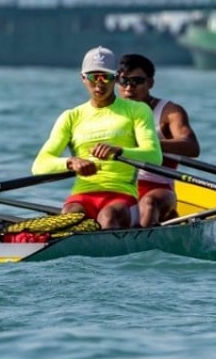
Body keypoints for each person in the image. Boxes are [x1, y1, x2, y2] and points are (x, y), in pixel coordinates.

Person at [32, 46, 162, 229]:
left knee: (108, 217)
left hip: (121, 195)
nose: (100, 84)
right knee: (70, 215)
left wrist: (119, 151)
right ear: (83, 78)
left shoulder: (137, 111)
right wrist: (71, 162)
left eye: (106, 77)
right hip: (83, 195)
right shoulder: (71, 117)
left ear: (116, 78)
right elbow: (39, 165)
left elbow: (154, 157)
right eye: (94, 77)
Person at [116, 53, 200, 227]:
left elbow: (192, 147)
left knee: (148, 204)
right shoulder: (110, 113)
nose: (129, 88)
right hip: (119, 186)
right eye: (123, 81)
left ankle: (143, 245)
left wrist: (149, 145)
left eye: (137, 81)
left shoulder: (169, 112)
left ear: (150, 83)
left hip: (157, 188)